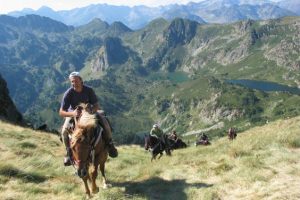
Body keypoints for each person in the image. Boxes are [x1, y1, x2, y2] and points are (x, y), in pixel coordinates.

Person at [59, 71, 118, 166]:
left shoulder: (89, 90)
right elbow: (61, 112)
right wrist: (72, 113)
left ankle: (110, 144)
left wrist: (91, 111)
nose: (74, 83)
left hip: (89, 113)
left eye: (76, 81)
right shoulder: (69, 93)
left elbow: (96, 105)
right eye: (72, 82)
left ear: (81, 81)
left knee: (104, 121)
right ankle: (69, 152)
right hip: (73, 114)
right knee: (64, 132)